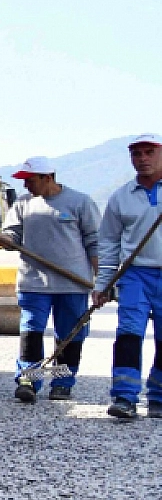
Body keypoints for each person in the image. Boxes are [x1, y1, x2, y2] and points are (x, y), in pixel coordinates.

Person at [2, 157, 99, 403]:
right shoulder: (23, 204)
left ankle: (61, 383)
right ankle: (29, 381)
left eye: (30, 180)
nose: (26, 185)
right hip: (33, 282)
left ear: (48, 178)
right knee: (31, 331)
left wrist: (102, 280)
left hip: (73, 284)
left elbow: (95, 243)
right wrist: (3, 239)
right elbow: (11, 236)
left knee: (69, 336)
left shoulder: (80, 202)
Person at [94, 133, 162, 420]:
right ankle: (124, 397)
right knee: (128, 334)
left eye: (149, 152)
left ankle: (158, 396)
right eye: (137, 153)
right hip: (135, 275)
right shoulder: (121, 197)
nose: (142, 158)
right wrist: (103, 284)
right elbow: (108, 242)